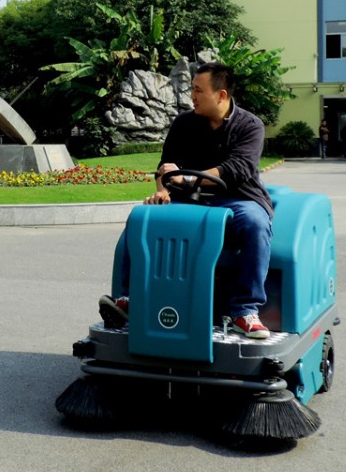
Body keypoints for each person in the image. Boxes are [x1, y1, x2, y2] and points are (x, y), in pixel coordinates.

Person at [99, 61, 274, 339]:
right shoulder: (184, 123)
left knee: (255, 223)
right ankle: (129, 299)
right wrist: (163, 191)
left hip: (237, 198)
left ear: (221, 95)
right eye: (192, 88)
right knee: (140, 220)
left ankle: (245, 309)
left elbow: (236, 170)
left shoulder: (250, 126)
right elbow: (167, 165)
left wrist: (188, 180)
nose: (191, 95)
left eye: (198, 90)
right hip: (190, 200)